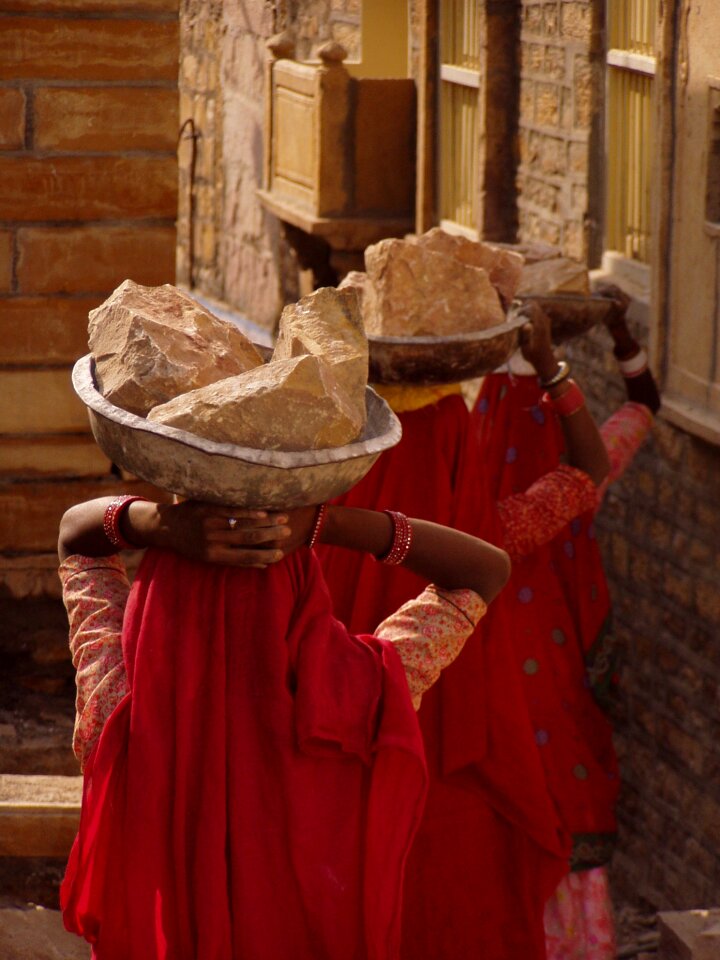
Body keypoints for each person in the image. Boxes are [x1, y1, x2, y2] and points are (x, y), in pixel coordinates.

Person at [58, 490, 510, 960]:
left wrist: (159, 526)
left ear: (153, 601)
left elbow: (76, 537)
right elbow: (483, 571)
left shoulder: (116, 705)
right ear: (302, 595)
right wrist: (321, 525)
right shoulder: (357, 699)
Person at [316, 302, 612, 960]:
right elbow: (588, 470)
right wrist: (548, 367)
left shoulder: (306, 549)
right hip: (464, 791)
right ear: (459, 451)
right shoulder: (489, 543)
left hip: (334, 807)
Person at [471, 284, 660, 960]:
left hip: (490, 753)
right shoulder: (582, 483)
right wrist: (620, 334)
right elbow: (644, 405)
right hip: (567, 720)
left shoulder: (456, 525)